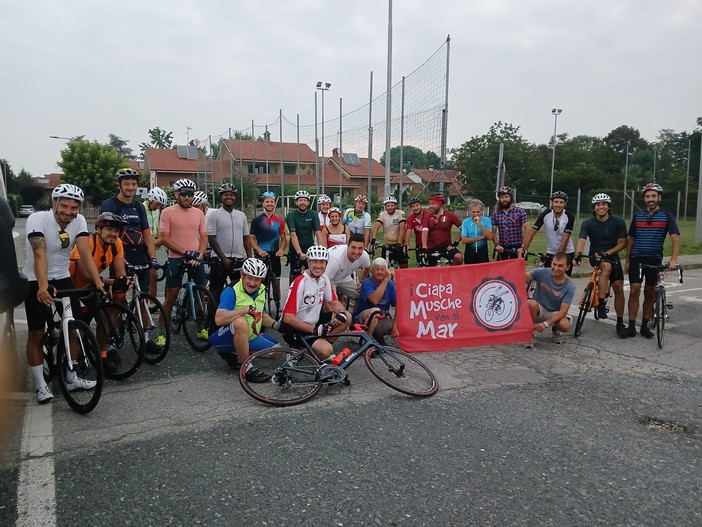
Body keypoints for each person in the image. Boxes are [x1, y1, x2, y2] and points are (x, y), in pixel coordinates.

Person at [23, 184, 105, 403]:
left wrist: (97, 281)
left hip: (62, 276)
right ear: (54, 203)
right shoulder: (37, 220)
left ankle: (71, 377)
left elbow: (85, 253)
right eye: (65, 206)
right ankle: (40, 384)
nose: (69, 212)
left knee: (75, 327)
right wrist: (42, 286)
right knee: (37, 334)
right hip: (35, 278)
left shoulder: (78, 221)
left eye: (74, 207)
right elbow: (39, 253)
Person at [69, 212, 129, 372]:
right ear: (98, 229)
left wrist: (122, 280)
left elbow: (119, 269)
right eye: (109, 229)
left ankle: (102, 354)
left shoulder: (117, 244)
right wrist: (107, 281)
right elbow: (84, 273)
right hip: (72, 286)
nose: (113, 234)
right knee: (78, 326)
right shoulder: (87, 242)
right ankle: (73, 359)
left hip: (93, 286)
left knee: (102, 318)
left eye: (117, 231)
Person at [209, 258, 281, 382]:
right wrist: (244, 310)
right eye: (249, 278)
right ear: (242, 275)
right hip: (221, 335)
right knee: (240, 322)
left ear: (262, 279)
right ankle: (246, 368)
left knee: (277, 351)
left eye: (257, 279)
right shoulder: (231, 291)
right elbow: (219, 319)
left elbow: (260, 315)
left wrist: (278, 326)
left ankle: (235, 353)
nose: (253, 283)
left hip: (249, 336)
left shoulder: (262, 290)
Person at [623, 183, 680, 339]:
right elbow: (631, 239)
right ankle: (632, 326)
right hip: (637, 258)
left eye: (653, 196)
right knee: (634, 291)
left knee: (649, 292)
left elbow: (675, 238)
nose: (650, 199)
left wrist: (673, 259)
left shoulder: (667, 216)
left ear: (659, 198)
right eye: (647, 196)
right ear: (644, 199)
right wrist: (627, 261)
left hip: (654, 259)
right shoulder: (637, 216)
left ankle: (645, 326)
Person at [280, 245, 351, 361]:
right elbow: (287, 317)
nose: (318, 266)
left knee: (347, 317)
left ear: (326, 264)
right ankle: (296, 347)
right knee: (327, 351)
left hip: (315, 321)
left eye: (322, 262)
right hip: (296, 327)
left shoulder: (324, 279)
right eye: (314, 262)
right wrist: (313, 330)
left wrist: (342, 313)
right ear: (308, 262)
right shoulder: (300, 282)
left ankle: (315, 347)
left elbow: (334, 302)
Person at [159, 178, 209, 342]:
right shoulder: (167, 212)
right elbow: (164, 238)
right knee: (171, 297)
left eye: (190, 194)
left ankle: (201, 327)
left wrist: (199, 254)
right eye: (184, 194)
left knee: (200, 294)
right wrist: (186, 252)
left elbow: (204, 237)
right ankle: (161, 332)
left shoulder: (199, 212)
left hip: (195, 257)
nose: (187, 197)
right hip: (176, 258)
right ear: (177, 194)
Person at [99, 168, 159, 297]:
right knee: (118, 298)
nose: (130, 187)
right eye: (126, 184)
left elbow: (147, 234)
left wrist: (153, 258)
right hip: (120, 256)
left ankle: (143, 318)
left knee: (143, 298)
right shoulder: (110, 205)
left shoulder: (139, 206)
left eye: (133, 184)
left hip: (140, 256)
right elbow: (105, 236)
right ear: (119, 185)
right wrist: (119, 259)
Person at [574, 193, 628, 334]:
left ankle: (620, 322)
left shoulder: (618, 222)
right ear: (594, 208)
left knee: (618, 287)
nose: (601, 207)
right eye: (598, 205)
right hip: (596, 256)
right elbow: (582, 240)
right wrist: (578, 254)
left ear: (609, 207)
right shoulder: (588, 223)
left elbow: (623, 243)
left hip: (612, 255)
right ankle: (602, 303)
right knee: (606, 266)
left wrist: (608, 253)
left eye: (604, 204)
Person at [207, 182, 251, 303]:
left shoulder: (241, 215)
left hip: (238, 259)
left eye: (232, 195)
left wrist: (250, 257)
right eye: (226, 195)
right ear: (221, 197)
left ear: (235, 197)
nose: (229, 197)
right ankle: (212, 320)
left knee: (238, 291)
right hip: (219, 259)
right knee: (215, 291)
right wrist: (223, 257)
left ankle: (233, 318)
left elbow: (246, 238)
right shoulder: (214, 215)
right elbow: (211, 238)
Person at [525, 252, 575, 346]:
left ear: (567, 267)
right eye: (554, 264)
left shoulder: (570, 286)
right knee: (530, 303)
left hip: (555, 313)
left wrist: (546, 324)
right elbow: (522, 277)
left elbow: (563, 312)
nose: (556, 268)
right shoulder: (540, 272)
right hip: (539, 310)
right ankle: (529, 334)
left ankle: (556, 330)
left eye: (560, 266)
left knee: (565, 325)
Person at [249, 191, 287, 314]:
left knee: (276, 282)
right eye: (267, 201)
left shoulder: (279, 221)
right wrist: (259, 250)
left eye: (272, 201)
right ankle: (259, 307)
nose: (269, 204)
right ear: (263, 203)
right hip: (261, 255)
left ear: (275, 203)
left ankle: (278, 307)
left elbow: (284, 239)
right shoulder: (257, 220)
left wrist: (281, 250)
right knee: (261, 283)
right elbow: (251, 238)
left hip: (275, 254)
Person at [522, 191, 575, 274]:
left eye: (561, 202)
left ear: (565, 204)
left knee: (562, 281)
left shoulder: (569, 216)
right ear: (552, 202)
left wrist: (559, 257)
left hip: (566, 252)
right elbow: (533, 231)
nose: (558, 205)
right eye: (556, 202)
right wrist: (524, 248)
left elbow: (565, 239)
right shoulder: (546, 214)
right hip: (551, 251)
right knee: (547, 280)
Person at [353, 258, 399, 345]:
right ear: (371, 271)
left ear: (386, 271)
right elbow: (374, 300)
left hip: (382, 318)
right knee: (375, 312)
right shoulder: (367, 283)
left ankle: (378, 337)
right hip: (363, 318)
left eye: (382, 269)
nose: (380, 272)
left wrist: (395, 327)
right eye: (377, 269)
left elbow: (398, 305)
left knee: (404, 324)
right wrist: (385, 281)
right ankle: (366, 342)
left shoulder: (390, 284)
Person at [325, 233, 371, 304]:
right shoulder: (336, 260)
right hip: (329, 280)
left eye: (360, 248)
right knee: (334, 305)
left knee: (362, 295)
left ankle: (357, 314)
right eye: (353, 247)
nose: (356, 252)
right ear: (348, 246)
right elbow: (324, 281)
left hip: (344, 278)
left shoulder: (364, 255)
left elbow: (367, 267)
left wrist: (362, 282)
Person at [286, 190, 322, 281]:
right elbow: (293, 234)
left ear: (308, 202)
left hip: (310, 247)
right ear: (296, 202)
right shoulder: (291, 215)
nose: (302, 202)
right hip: (296, 249)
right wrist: (299, 252)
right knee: (295, 275)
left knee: (312, 273)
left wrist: (322, 248)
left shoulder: (313, 214)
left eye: (305, 200)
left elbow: (318, 232)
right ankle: (292, 292)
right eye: (300, 200)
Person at [421, 193, 463, 266]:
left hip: (446, 247)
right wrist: (424, 247)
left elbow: (463, 228)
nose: (430, 206)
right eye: (430, 204)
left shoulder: (450, 215)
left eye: (433, 204)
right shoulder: (427, 216)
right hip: (431, 247)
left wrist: (456, 242)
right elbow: (424, 232)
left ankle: (450, 269)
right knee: (433, 269)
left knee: (459, 257)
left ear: (441, 205)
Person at [491, 186, 530, 260]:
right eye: (502, 197)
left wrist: (523, 247)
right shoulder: (495, 214)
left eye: (506, 197)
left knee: (518, 270)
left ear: (511, 198)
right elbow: (493, 232)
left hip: (517, 247)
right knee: (501, 270)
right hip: (502, 248)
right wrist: (497, 245)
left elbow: (528, 229)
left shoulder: (520, 211)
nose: (504, 199)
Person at [370, 196, 408, 268]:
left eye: (392, 205)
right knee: (384, 267)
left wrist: (399, 243)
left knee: (404, 267)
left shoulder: (400, 213)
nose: (390, 207)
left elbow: (402, 228)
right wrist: (374, 238)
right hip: (387, 245)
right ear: (385, 207)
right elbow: (376, 226)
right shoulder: (382, 214)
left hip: (398, 244)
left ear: (395, 206)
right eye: (388, 206)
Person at [145, 187, 168, 299]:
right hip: (143, 246)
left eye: (160, 205)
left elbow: (157, 227)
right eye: (157, 204)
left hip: (153, 247)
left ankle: (151, 302)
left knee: (153, 275)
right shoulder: (142, 208)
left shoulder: (157, 211)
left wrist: (160, 238)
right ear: (150, 200)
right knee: (151, 274)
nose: (158, 207)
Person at [460, 199, 493, 264]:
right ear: (469, 211)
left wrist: (480, 225)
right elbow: (464, 240)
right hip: (469, 251)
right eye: (473, 212)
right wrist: (481, 237)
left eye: (478, 212)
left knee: (483, 272)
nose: (476, 214)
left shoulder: (487, 220)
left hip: (483, 251)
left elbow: (489, 237)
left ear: (482, 211)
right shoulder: (466, 222)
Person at [405, 196, 429, 263]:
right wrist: (407, 244)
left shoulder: (428, 215)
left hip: (430, 244)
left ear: (421, 205)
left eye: (417, 205)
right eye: (413, 206)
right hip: (419, 245)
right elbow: (408, 230)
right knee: (420, 265)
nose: (415, 208)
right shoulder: (410, 218)